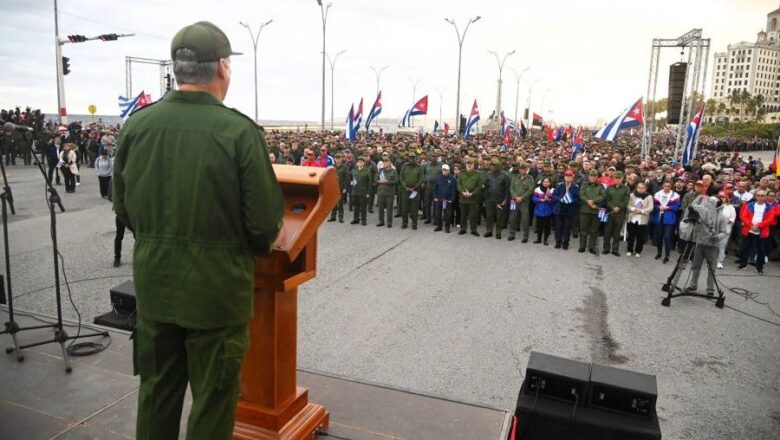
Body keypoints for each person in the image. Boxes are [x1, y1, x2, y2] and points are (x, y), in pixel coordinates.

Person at [113, 21, 284, 440]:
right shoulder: (239, 132)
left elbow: (124, 207)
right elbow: (263, 224)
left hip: (155, 286)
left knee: (157, 391)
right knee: (213, 400)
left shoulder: (136, 126)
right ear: (222, 68)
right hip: (217, 294)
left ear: (177, 69)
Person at [684, 196, 730, 296]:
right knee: (696, 266)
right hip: (700, 244)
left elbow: (724, 232)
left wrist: (717, 237)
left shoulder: (722, 217)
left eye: (712, 202)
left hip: (713, 246)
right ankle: (693, 285)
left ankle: (710, 289)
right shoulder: (702, 213)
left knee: (712, 269)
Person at [737, 190, 775, 274]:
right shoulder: (749, 205)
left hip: (761, 232)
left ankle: (759, 268)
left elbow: (770, 219)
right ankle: (743, 265)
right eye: (759, 195)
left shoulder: (769, 207)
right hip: (749, 230)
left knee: (761, 251)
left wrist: (758, 226)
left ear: (765, 197)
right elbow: (744, 216)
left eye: (762, 195)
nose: (760, 197)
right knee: (744, 248)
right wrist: (751, 226)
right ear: (756, 196)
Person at [652, 180, 681, 263]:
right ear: (663, 186)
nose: (667, 188)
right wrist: (658, 207)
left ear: (671, 186)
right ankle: (659, 253)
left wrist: (668, 208)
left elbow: (677, 207)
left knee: (667, 237)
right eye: (665, 186)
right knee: (659, 236)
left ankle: (667, 255)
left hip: (669, 218)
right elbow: (654, 205)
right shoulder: (658, 194)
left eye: (668, 186)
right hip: (659, 217)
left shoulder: (675, 195)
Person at [602, 171, 630, 256]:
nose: (617, 180)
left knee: (617, 232)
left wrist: (619, 207)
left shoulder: (626, 189)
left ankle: (615, 249)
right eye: (616, 178)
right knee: (607, 231)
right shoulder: (609, 188)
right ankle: (606, 248)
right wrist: (612, 207)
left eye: (619, 178)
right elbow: (607, 200)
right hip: (610, 212)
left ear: (622, 179)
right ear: (614, 178)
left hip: (620, 213)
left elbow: (626, 200)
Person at [578, 169, 606, 254]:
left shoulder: (600, 186)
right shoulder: (584, 184)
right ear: (589, 176)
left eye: (595, 176)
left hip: (595, 211)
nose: (593, 177)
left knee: (594, 230)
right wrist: (588, 201)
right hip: (585, 211)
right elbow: (581, 195)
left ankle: (591, 246)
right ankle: (582, 246)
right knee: (583, 230)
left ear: (597, 177)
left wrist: (593, 201)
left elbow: (603, 196)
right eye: (591, 175)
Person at [507, 163, 535, 242]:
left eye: (524, 168)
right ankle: (512, 234)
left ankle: (525, 236)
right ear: (519, 169)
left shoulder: (530, 178)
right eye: (521, 168)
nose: (522, 170)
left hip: (524, 202)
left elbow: (530, 189)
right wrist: (516, 197)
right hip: (514, 201)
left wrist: (522, 197)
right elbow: (511, 188)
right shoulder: (515, 177)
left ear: (527, 169)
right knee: (512, 218)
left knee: (525, 219)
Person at [552, 169, 579, 249]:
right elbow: (554, 195)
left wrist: (571, 200)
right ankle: (558, 242)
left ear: (572, 177)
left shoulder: (576, 187)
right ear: (564, 177)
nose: (568, 177)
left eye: (569, 176)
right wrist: (560, 199)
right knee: (558, 227)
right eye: (566, 175)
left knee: (567, 227)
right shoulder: (559, 185)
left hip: (569, 209)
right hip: (560, 208)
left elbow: (577, 198)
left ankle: (565, 243)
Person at [483, 159, 510, 239]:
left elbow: (507, 188)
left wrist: (505, 199)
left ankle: (498, 232)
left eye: (494, 166)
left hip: (500, 200)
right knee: (489, 216)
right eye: (492, 165)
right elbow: (485, 185)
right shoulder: (488, 174)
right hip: (489, 199)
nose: (492, 167)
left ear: (499, 166)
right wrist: (486, 195)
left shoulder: (505, 175)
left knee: (500, 217)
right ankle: (489, 231)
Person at [625, 182, 653, 258]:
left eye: (642, 188)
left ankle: (638, 251)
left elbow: (651, 207)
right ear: (636, 188)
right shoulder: (632, 195)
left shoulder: (649, 197)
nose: (640, 189)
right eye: (639, 187)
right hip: (632, 218)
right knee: (631, 235)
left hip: (642, 219)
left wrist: (641, 211)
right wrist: (633, 209)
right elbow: (627, 204)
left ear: (645, 189)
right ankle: (629, 250)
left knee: (640, 237)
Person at [457, 157, 483, 236]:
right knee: (463, 215)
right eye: (467, 164)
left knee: (473, 215)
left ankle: (473, 229)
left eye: (470, 164)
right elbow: (458, 184)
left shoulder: (478, 174)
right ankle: (463, 228)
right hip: (463, 197)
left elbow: (479, 186)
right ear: (465, 165)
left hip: (473, 198)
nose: (469, 165)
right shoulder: (461, 173)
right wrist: (462, 192)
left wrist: (472, 193)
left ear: (473, 165)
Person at [399, 152, 423, 230]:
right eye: (410, 157)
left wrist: (415, 187)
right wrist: (405, 186)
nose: (412, 159)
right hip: (405, 190)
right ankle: (404, 223)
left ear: (415, 158)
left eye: (413, 158)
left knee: (414, 208)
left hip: (415, 191)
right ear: (408, 158)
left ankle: (414, 223)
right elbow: (401, 177)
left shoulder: (419, 167)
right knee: (404, 208)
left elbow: (421, 179)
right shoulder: (404, 166)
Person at [715, 191, 736, 269]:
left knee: (722, 246)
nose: (721, 198)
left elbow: (732, 219)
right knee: (714, 246)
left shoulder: (731, 207)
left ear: (727, 198)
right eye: (719, 197)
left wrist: (723, 223)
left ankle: (719, 261)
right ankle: (712, 260)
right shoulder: (715, 206)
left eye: (723, 197)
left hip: (725, 230)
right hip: (715, 230)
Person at [432, 164, 456, 232]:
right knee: (438, 213)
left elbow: (454, 190)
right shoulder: (438, 177)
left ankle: (447, 227)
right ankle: (439, 226)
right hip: (439, 199)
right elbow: (434, 188)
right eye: (443, 169)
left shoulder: (452, 178)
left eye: (446, 170)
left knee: (448, 215)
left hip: (448, 200)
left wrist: (452, 199)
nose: (444, 171)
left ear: (448, 171)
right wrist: (435, 197)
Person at [376, 156, 397, 228]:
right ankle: (381, 221)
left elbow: (396, 181)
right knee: (381, 207)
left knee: (389, 208)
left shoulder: (393, 171)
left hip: (389, 192)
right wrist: (379, 181)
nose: (385, 163)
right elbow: (376, 179)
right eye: (384, 162)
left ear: (390, 163)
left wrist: (388, 181)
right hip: (381, 192)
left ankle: (389, 222)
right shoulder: (380, 170)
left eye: (386, 161)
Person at [532, 177, 555, 245]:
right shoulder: (537, 189)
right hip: (539, 210)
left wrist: (550, 200)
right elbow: (533, 198)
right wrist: (539, 200)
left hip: (548, 211)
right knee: (539, 226)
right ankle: (538, 239)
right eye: (544, 181)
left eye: (547, 182)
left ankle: (545, 240)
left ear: (550, 183)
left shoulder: (553, 190)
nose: (545, 183)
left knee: (547, 226)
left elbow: (555, 200)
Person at [328, 152, 348, 223]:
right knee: (333, 203)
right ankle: (333, 217)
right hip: (334, 187)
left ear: (341, 159)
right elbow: (329, 178)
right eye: (336, 158)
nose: (338, 159)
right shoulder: (332, 167)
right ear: (334, 159)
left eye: (339, 158)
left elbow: (346, 178)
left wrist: (345, 188)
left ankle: (340, 217)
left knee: (340, 203)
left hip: (341, 187)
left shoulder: (344, 167)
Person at [350, 156, 371, 225]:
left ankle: (363, 220)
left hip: (363, 192)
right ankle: (356, 219)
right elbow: (350, 179)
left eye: (361, 162)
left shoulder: (367, 171)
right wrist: (351, 183)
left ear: (364, 163)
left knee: (363, 207)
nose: (360, 163)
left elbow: (369, 182)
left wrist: (368, 192)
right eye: (359, 162)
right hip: (355, 191)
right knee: (356, 207)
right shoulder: (354, 170)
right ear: (357, 163)